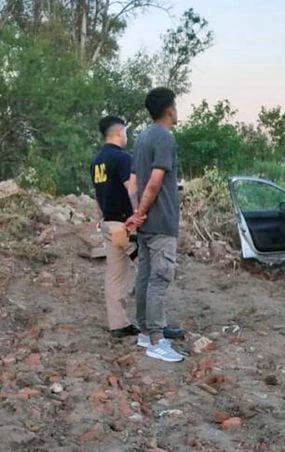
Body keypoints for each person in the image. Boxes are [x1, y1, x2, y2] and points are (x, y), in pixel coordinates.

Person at [125, 87, 184, 362]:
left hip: (146, 223)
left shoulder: (141, 138)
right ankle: (157, 342)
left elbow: (134, 182)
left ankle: (145, 333)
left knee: (145, 278)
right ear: (169, 109)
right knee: (160, 279)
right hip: (160, 223)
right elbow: (155, 181)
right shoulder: (165, 138)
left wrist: (136, 213)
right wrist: (143, 212)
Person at [91, 116, 139, 338]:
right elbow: (132, 190)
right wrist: (139, 216)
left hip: (109, 224)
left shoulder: (97, 161)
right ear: (119, 133)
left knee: (115, 273)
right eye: (126, 132)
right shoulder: (122, 158)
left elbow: (99, 194)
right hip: (125, 225)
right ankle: (153, 323)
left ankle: (118, 324)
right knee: (147, 268)